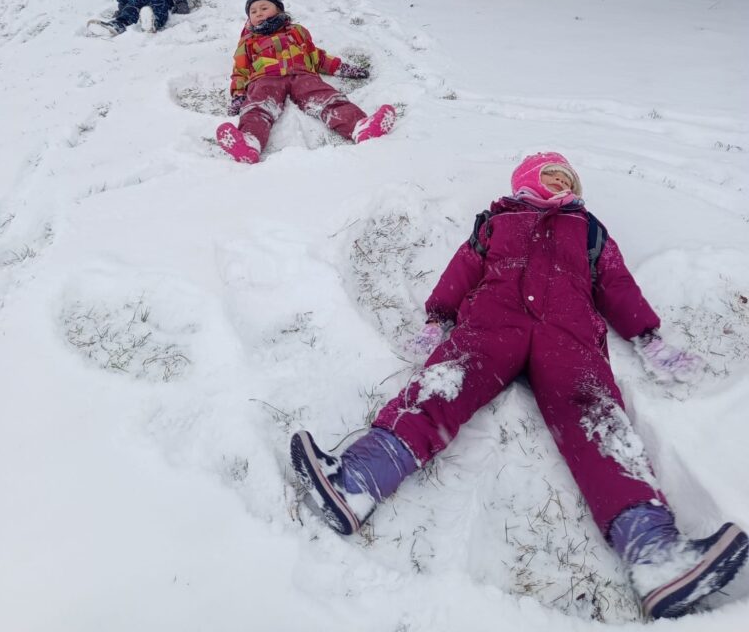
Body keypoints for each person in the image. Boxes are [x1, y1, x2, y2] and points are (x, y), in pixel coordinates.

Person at [290, 152, 748, 621]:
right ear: (527, 179)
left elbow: (617, 284)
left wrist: (647, 337)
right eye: (553, 175)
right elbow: (463, 269)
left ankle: (656, 555)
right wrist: (438, 317)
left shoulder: (589, 230)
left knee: (599, 424)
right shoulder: (496, 221)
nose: (562, 183)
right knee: (443, 386)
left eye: (568, 179)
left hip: (567, 335)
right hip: (494, 322)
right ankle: (356, 481)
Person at [215, 0, 396, 164]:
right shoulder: (248, 41)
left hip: (301, 75)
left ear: (278, 9)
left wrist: (341, 68)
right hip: (266, 78)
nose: (259, 13)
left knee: (326, 98)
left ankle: (360, 127)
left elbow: (316, 57)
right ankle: (249, 142)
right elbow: (240, 70)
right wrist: (238, 94)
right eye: (253, 11)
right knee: (258, 107)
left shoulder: (296, 32)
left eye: (264, 8)